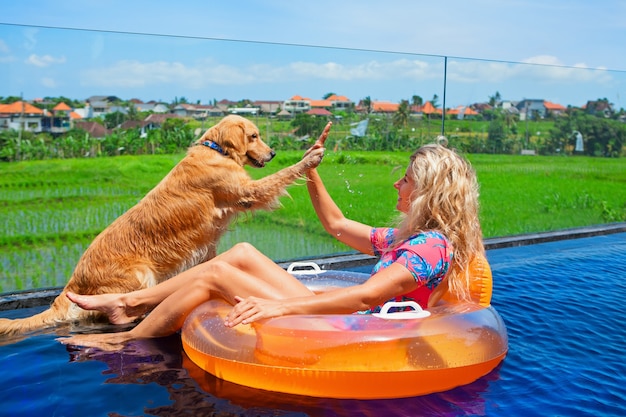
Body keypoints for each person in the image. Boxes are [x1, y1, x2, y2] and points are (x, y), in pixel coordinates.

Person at [60, 124, 485, 349]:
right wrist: (309, 169)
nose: (397, 186)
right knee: (242, 252)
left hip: (354, 330)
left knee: (215, 278)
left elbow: (363, 298)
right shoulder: (407, 238)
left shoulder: (430, 247)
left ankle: (126, 336)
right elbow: (337, 225)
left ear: (428, 192)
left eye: (406, 181)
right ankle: (126, 302)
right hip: (346, 317)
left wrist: (279, 306)